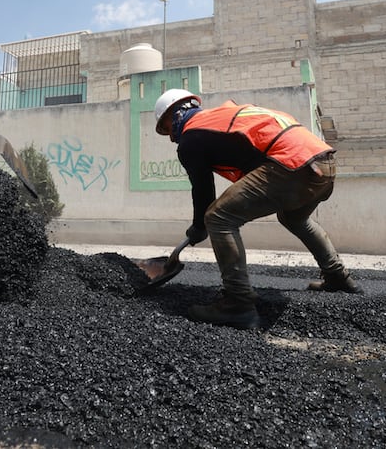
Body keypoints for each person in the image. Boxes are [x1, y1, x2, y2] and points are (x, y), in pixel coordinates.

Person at [153, 89, 361, 330]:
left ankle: (237, 303)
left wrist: (199, 226)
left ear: (174, 114)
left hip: (291, 164)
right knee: (294, 218)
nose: (170, 137)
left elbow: (203, 190)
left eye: (166, 128)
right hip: (323, 163)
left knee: (218, 217)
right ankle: (337, 276)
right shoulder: (220, 117)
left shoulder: (191, 137)